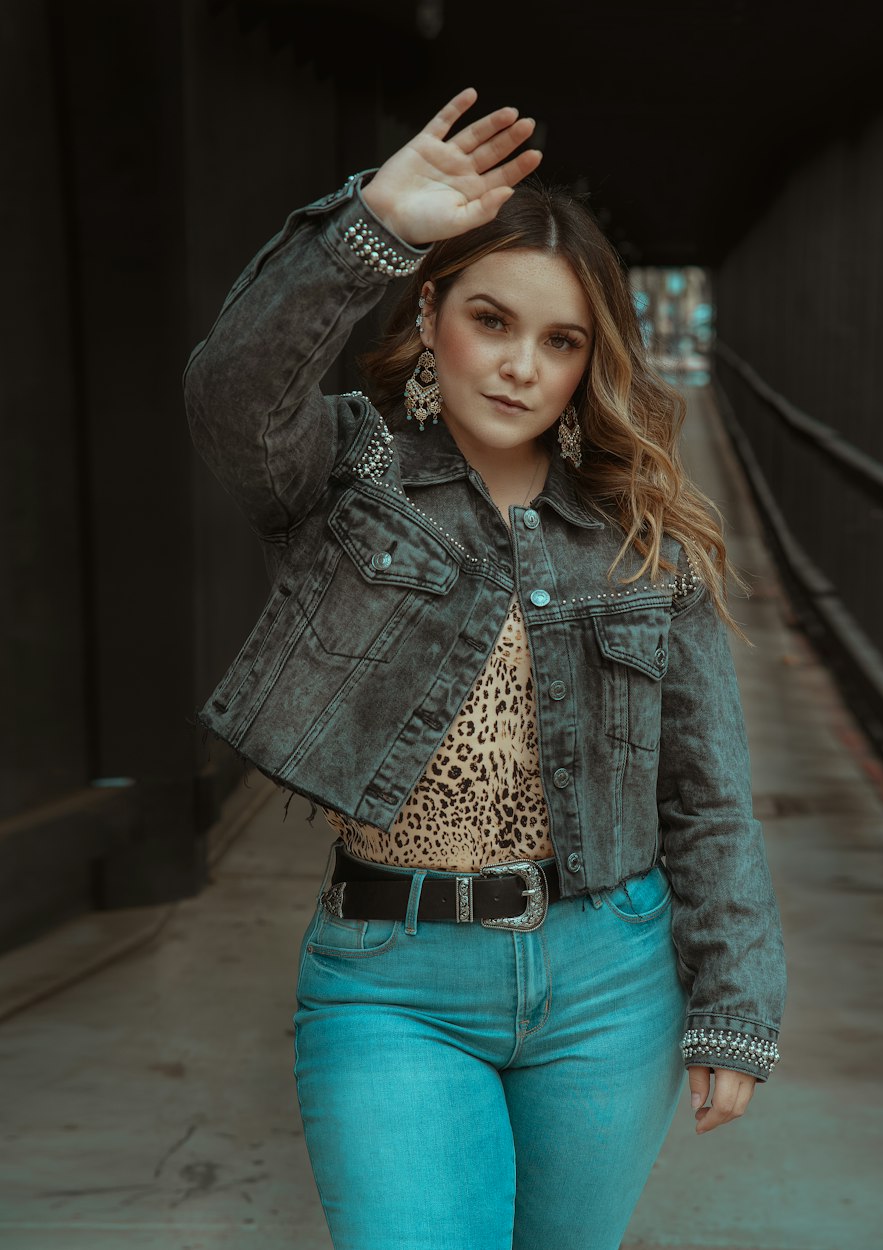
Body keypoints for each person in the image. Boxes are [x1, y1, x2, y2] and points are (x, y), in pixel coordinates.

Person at [184, 88, 786, 1250]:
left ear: (589, 363)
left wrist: (733, 1002)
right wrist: (373, 223)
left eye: (559, 341)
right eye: (491, 320)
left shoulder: (641, 536)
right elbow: (231, 397)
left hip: (610, 977)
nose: (519, 366)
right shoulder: (350, 476)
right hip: (390, 978)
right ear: (432, 315)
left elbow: (706, 791)